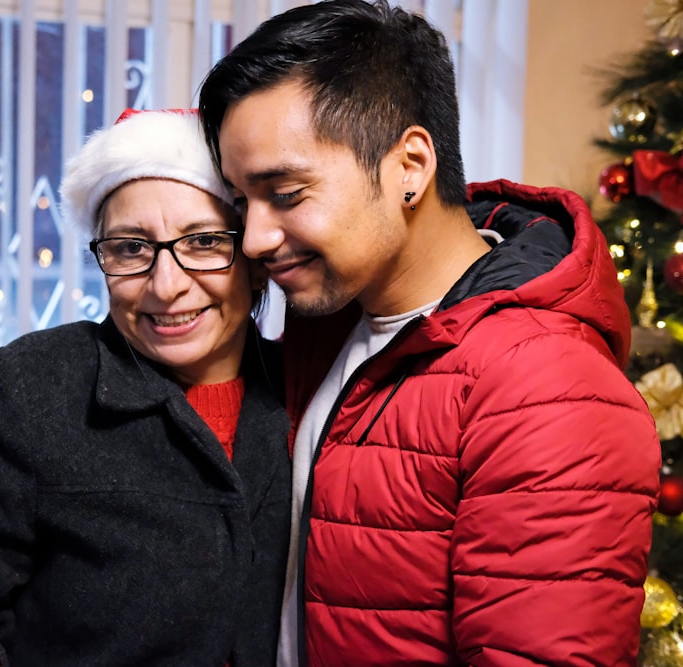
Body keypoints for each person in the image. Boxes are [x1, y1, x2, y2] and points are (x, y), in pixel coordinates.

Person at [197, 1, 662, 665]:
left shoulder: (547, 385)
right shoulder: (327, 322)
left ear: (410, 166)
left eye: (287, 193)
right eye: (244, 201)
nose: (255, 238)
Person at [0, 108, 291, 667]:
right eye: (132, 248)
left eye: (204, 241)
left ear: (253, 260)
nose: (166, 285)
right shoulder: (40, 387)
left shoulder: (309, 385)